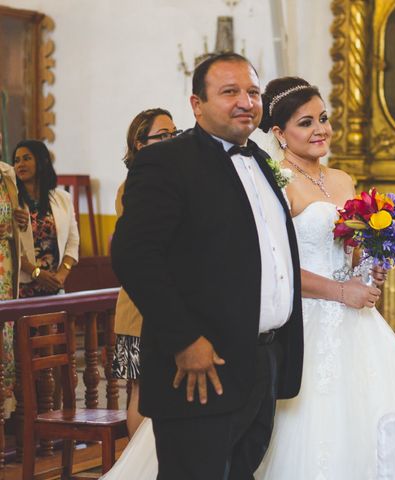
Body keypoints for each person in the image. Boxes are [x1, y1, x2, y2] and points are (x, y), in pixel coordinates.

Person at [110, 53, 303, 480]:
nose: (245, 101)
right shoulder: (166, 162)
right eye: (229, 91)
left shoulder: (263, 164)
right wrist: (184, 339)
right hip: (200, 366)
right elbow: (133, 255)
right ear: (197, 105)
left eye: (253, 92)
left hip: (261, 361)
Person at [253, 77, 395, 479]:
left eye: (323, 118)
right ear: (279, 133)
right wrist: (342, 290)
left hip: (355, 319)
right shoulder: (275, 184)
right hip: (305, 320)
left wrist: (372, 264)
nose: (320, 129)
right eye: (305, 123)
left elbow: (349, 250)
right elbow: (276, 270)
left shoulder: (342, 180)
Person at [112, 108, 180, 437]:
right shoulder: (135, 186)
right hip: (139, 309)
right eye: (162, 135)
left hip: (163, 304)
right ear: (140, 144)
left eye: (174, 134)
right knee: (142, 391)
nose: (171, 141)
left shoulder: (172, 180)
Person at [14, 140, 79, 298]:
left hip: (54, 286)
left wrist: (62, 275)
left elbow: (72, 241)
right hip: (20, 287)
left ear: (42, 161)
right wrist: (36, 273)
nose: (20, 164)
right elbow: (8, 246)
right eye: (16, 161)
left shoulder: (62, 198)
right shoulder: (10, 200)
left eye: (27, 158)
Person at [0, 159, 28, 416]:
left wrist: (21, 220)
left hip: (5, 268)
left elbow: (15, 225)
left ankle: (4, 410)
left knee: (5, 337)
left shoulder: (6, 173)